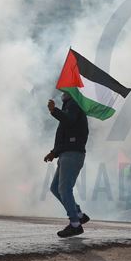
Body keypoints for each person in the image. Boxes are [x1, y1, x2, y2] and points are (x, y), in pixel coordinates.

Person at [44, 91, 91, 238]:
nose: (62, 93)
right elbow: (65, 135)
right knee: (55, 188)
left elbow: (69, 120)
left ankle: (75, 224)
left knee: (64, 189)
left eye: (65, 90)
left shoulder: (74, 104)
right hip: (67, 153)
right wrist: (54, 152)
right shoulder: (70, 106)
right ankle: (78, 214)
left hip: (72, 154)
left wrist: (54, 110)